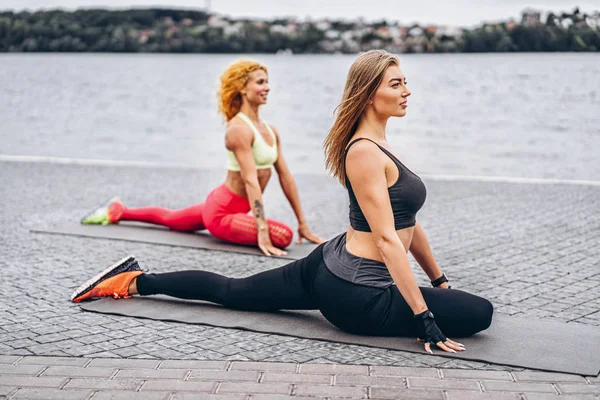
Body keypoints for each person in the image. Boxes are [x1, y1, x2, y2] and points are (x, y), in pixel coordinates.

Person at [72, 50, 493, 354]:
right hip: (357, 295)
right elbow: (387, 241)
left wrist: (438, 282)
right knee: (480, 314)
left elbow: (407, 221)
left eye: (405, 83)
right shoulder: (364, 151)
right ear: (369, 94)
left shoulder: (380, 143)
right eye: (397, 84)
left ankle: (136, 281)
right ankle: (133, 281)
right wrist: (424, 319)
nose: (408, 92)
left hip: (330, 263)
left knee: (233, 290)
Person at [81, 59, 323, 256]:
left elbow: (286, 177)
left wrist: (303, 223)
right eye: (260, 82)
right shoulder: (239, 129)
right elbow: (250, 180)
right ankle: (120, 212)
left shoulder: (270, 130)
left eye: (268, 82)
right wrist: (262, 230)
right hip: (221, 212)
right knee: (282, 236)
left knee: (171, 218)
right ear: (242, 88)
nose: (267, 87)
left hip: (225, 206)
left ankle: (120, 211)